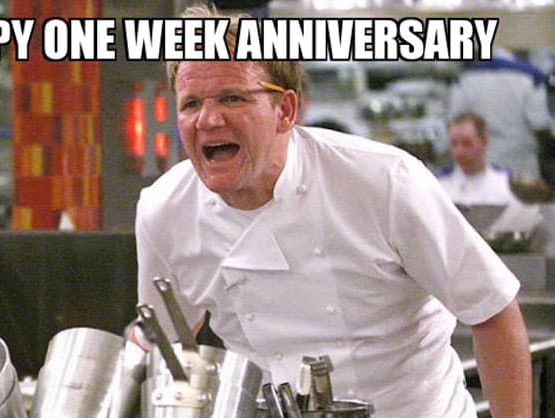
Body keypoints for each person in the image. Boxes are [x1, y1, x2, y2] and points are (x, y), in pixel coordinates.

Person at [132, 5, 532, 418]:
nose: (207, 119)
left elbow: (493, 312)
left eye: (232, 97)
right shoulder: (165, 211)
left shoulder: (383, 182)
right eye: (190, 103)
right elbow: (165, 342)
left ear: (285, 110)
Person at [449, 48, 553, 179]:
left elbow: (455, 120)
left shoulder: (465, 77)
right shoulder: (531, 76)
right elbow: (539, 123)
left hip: (480, 161)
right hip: (520, 162)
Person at [436, 112, 518, 206]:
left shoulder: (506, 183)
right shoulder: (439, 183)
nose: (459, 152)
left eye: (467, 144)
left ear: (484, 142)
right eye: (454, 144)